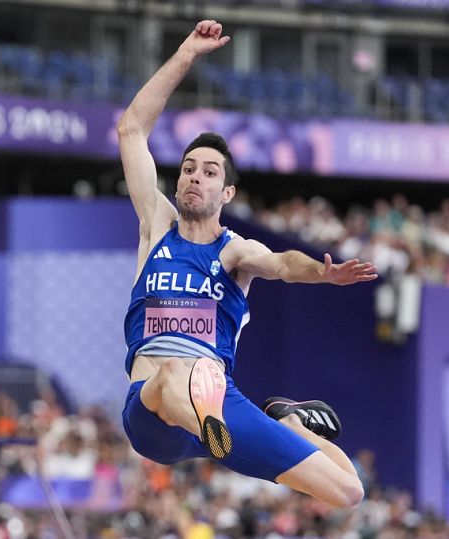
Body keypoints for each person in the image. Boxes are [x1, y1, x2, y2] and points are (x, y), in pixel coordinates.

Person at [119, 20, 378, 509]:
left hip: (218, 404)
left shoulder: (233, 252)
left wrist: (322, 272)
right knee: (176, 371)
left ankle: (284, 421)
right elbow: (131, 129)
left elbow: (281, 263)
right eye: (189, 169)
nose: (195, 176)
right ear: (177, 185)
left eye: (209, 172)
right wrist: (186, 55)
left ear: (227, 192)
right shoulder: (156, 226)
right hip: (153, 410)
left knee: (348, 489)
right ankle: (213, 418)